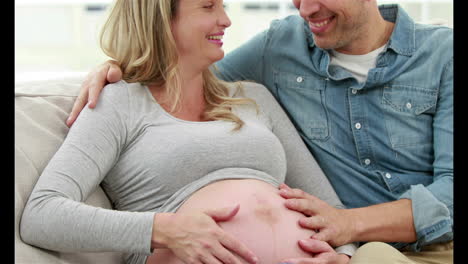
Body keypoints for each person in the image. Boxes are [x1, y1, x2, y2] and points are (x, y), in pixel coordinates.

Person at [68, 0, 454, 263]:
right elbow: (182, 74)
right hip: (347, 252)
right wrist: (117, 67)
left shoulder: (443, 54)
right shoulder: (279, 48)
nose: (306, 9)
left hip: (437, 247)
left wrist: (349, 226)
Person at [19, 0, 358, 264]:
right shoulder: (117, 103)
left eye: (223, 6)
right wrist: (164, 229)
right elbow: (42, 214)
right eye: (209, 6)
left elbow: (331, 209)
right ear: (161, 19)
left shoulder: (253, 98)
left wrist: (342, 255)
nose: (225, 20)